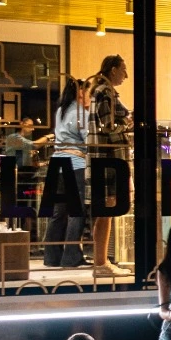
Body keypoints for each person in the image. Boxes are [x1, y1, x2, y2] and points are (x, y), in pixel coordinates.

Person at [43, 77, 92, 269]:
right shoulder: (81, 112)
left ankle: (51, 257)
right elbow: (89, 140)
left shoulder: (61, 111)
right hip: (75, 163)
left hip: (57, 162)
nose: (89, 97)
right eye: (87, 92)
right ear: (80, 92)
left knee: (58, 213)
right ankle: (71, 256)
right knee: (76, 212)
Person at [87, 55, 130, 275]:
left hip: (104, 158)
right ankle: (101, 263)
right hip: (108, 158)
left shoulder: (101, 91)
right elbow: (108, 126)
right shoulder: (105, 92)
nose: (126, 74)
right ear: (113, 69)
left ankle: (101, 262)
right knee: (106, 209)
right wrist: (127, 121)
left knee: (106, 210)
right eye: (123, 69)